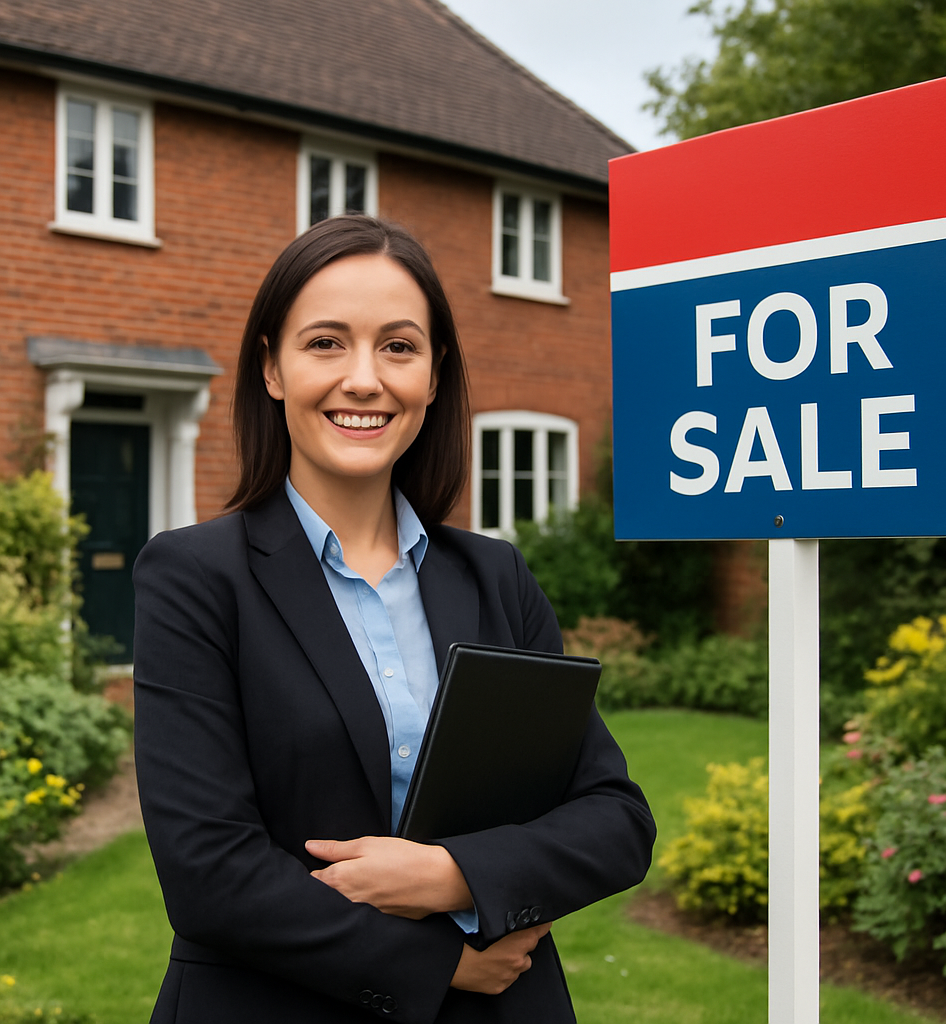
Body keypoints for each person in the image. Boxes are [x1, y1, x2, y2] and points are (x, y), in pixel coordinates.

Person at [133, 215, 656, 1024]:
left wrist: (452, 876)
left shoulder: (495, 576)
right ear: (271, 366)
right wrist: (441, 961)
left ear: (435, 376)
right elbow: (208, 871)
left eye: (399, 347)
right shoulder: (196, 577)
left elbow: (614, 820)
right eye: (326, 343)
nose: (365, 379)